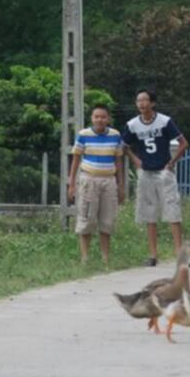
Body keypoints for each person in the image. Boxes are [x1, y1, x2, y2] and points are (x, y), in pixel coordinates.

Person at [122, 89, 188, 266]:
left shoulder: (164, 121)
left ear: (152, 103)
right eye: (138, 101)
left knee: (173, 212)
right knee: (149, 213)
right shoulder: (133, 124)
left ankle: (180, 255)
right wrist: (135, 160)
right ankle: (152, 255)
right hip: (146, 172)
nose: (142, 104)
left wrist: (172, 162)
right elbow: (123, 146)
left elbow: (183, 143)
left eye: (145, 100)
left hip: (164, 171)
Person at [67, 105, 125, 265]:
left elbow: (119, 161)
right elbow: (76, 159)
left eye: (103, 117)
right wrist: (71, 183)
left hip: (109, 181)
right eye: (96, 117)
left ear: (108, 119)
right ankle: (85, 258)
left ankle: (105, 258)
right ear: (92, 118)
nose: (100, 120)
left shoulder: (115, 135)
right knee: (87, 218)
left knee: (107, 220)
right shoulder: (83, 135)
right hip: (88, 180)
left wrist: (121, 185)